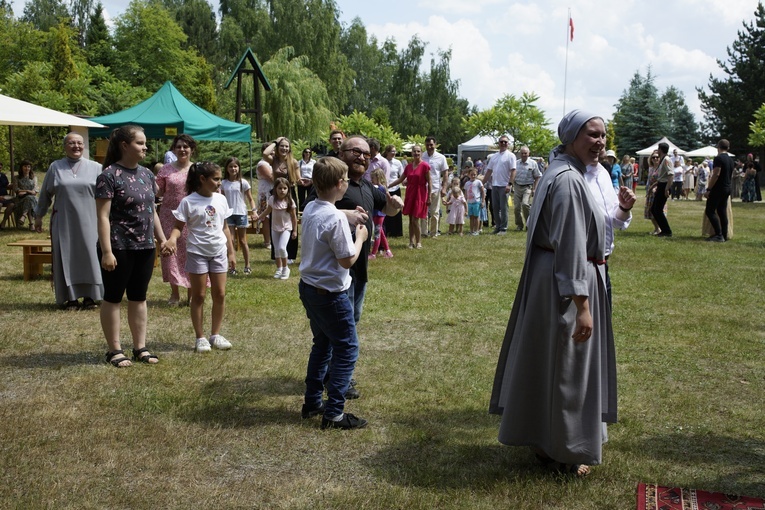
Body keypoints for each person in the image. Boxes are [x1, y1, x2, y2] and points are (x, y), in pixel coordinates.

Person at [489, 110, 616, 477]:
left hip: (552, 279)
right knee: (568, 368)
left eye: (603, 135)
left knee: (551, 362)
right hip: (566, 284)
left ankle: (547, 442)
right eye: (591, 134)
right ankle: (565, 449)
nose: (599, 142)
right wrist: (583, 304)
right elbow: (572, 244)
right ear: (572, 136)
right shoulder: (568, 181)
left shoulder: (559, 172)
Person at [304, 136, 404, 400]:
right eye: (355, 152)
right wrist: (344, 215)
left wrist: (394, 207)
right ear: (341, 152)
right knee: (334, 333)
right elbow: (313, 208)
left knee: (349, 323)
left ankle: (332, 376)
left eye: (366, 154)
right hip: (334, 274)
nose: (362, 157)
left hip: (357, 271)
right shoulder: (334, 183)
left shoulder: (369, 187)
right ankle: (337, 381)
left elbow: (388, 210)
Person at [299, 157, 368, 430]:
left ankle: (313, 401)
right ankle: (335, 413)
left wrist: (346, 215)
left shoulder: (311, 207)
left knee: (323, 344)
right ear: (341, 184)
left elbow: (330, 214)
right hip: (331, 294)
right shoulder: (335, 218)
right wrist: (359, 237)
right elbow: (347, 260)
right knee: (347, 349)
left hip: (309, 288)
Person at [96, 125, 168, 368]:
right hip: (118, 246)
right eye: (140, 143)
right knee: (114, 297)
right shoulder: (108, 175)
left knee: (139, 297)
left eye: (145, 143)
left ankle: (140, 347)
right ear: (124, 146)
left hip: (145, 247)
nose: (145, 147)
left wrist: (162, 239)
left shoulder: (147, 175)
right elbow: (103, 216)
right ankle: (114, 350)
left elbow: (152, 212)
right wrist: (107, 251)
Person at [164, 162, 236, 352]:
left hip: (218, 252)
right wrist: (171, 239)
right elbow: (178, 227)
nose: (219, 183)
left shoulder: (221, 199)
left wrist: (231, 251)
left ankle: (215, 335)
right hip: (197, 253)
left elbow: (225, 227)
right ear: (202, 179)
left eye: (220, 179)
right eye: (216, 179)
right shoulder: (188, 202)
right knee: (199, 295)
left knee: (220, 294)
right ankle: (200, 338)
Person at [33, 132, 103, 310]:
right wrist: (39, 216)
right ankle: (70, 298)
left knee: (90, 257)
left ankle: (90, 297)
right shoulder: (56, 167)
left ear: (84, 146)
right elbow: (45, 195)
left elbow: (107, 196)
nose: (76, 146)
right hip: (64, 221)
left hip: (90, 221)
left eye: (79, 143)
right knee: (67, 257)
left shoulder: (96, 167)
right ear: (65, 147)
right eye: (71, 143)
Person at [156, 133, 196, 305]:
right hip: (168, 216)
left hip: (192, 217)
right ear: (173, 149)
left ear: (192, 150)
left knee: (190, 253)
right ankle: (174, 294)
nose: (182, 149)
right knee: (170, 253)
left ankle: (192, 293)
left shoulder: (197, 169)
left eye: (185, 146)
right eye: (178, 146)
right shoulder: (165, 170)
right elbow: (158, 192)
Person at [388, 144, 431, 249]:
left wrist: (429, 197)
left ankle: (419, 242)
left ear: (421, 152)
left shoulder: (425, 166)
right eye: (414, 151)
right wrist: (388, 185)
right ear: (411, 153)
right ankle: (411, 242)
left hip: (420, 193)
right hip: (410, 193)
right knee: (411, 218)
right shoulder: (408, 167)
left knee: (415, 219)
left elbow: (430, 182)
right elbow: (400, 179)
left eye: (418, 151)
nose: (416, 153)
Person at [265, 137, 299, 261]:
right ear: (278, 148)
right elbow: (265, 153)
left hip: (289, 194)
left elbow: (298, 178)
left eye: (286, 146)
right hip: (275, 193)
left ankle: (290, 255)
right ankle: (277, 254)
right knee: (275, 221)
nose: (284, 148)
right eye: (282, 146)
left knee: (291, 221)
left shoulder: (293, 162)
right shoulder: (273, 160)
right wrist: (275, 142)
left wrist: (301, 182)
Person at [220, 156, 256, 275]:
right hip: (228, 214)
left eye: (235, 166)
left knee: (243, 241)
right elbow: (221, 198)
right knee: (230, 240)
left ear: (239, 168)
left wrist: (254, 211)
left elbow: (250, 199)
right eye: (230, 166)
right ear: (227, 168)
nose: (233, 169)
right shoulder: (223, 183)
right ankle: (232, 266)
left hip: (241, 213)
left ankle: (247, 265)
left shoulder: (243, 182)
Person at [259, 177, 297, 279]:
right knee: (276, 249)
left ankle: (285, 268)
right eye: (280, 188)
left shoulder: (290, 202)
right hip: (275, 228)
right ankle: (279, 268)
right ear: (275, 189)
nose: (282, 190)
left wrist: (295, 231)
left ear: (288, 189)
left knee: (281, 247)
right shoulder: (272, 200)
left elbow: (294, 217)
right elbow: (268, 211)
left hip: (286, 228)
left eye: (285, 188)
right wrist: (259, 217)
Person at [703, 139, 735, 242]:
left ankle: (718, 234)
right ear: (728, 148)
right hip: (727, 188)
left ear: (718, 147)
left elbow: (716, 174)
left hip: (718, 188)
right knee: (722, 211)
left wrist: (709, 189)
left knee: (710, 210)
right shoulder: (731, 160)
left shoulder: (718, 158)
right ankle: (724, 235)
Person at [483, 135, 515, 234]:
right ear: (498, 143)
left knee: (503, 207)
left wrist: (509, 184)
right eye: (501, 142)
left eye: (505, 142)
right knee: (494, 207)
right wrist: (482, 183)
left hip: (504, 185)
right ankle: (497, 226)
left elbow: (513, 171)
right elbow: (489, 171)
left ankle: (503, 228)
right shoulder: (494, 157)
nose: (503, 143)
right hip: (494, 185)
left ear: (508, 144)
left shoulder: (511, 156)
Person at [421, 136, 449, 236]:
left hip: (436, 187)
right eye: (427, 145)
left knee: (435, 212)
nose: (429, 147)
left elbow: (445, 173)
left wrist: (444, 188)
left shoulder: (441, 157)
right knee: (423, 212)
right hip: (423, 188)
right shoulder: (421, 156)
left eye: (431, 145)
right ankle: (423, 232)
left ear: (435, 145)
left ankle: (433, 232)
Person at [512, 146, 542, 231]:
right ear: (520, 154)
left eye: (525, 153)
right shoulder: (516, 163)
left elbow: (537, 176)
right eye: (522, 153)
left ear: (529, 153)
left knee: (525, 204)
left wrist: (534, 189)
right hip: (517, 186)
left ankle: (529, 224)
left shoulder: (533, 163)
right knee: (517, 207)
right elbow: (512, 174)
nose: (524, 155)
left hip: (527, 187)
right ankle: (519, 225)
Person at [650, 142, 674, 237]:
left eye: (658, 149)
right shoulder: (663, 160)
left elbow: (670, 175)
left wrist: (667, 189)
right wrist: (654, 185)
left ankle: (667, 231)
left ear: (660, 149)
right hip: (661, 185)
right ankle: (664, 230)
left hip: (664, 186)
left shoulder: (666, 160)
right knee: (654, 209)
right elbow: (662, 176)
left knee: (658, 209)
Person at [369, 168, 392, 258]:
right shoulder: (379, 187)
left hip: (379, 214)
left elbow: (388, 197)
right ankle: (388, 251)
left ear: (378, 177)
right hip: (376, 213)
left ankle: (373, 253)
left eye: (373, 178)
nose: (371, 179)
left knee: (377, 234)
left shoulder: (381, 188)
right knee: (381, 233)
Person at [255, 142, 274, 249]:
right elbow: (271, 177)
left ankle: (273, 239)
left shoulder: (272, 163)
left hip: (273, 191)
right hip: (265, 192)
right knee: (265, 217)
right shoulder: (262, 164)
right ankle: (267, 241)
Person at [383, 144, 404, 237]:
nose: (394, 153)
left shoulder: (398, 162)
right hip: (385, 189)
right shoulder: (383, 162)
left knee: (396, 210)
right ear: (387, 152)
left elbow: (402, 175)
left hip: (395, 188)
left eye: (395, 151)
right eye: (392, 151)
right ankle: (387, 231)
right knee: (386, 210)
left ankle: (397, 232)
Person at [13, 160, 38, 230]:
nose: (27, 168)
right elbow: (16, 190)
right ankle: (31, 224)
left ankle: (24, 216)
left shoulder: (34, 178)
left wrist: (25, 192)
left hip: (32, 199)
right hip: (20, 200)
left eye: (28, 167)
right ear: (21, 168)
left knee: (29, 198)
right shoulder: (16, 178)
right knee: (29, 199)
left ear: (30, 168)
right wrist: (28, 191)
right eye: (25, 166)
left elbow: (35, 191)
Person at [465, 168, 485, 236]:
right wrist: (465, 202)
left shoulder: (478, 182)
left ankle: (476, 230)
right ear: (468, 175)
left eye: (474, 175)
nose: (473, 176)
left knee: (476, 217)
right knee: (471, 217)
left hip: (476, 201)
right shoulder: (467, 183)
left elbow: (482, 192)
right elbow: (465, 193)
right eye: (471, 175)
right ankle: (471, 230)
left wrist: (483, 201)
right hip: (469, 202)